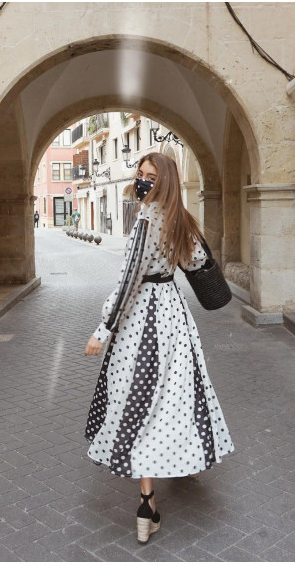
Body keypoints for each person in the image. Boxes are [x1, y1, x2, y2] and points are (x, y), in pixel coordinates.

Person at [84, 152, 234, 544]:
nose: (143, 181)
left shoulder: (146, 220)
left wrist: (103, 329)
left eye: (151, 176)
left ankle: (147, 504)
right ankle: (188, 460)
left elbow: (129, 280)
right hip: (175, 316)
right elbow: (198, 262)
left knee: (139, 401)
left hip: (143, 321)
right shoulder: (180, 219)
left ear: (164, 181)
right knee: (177, 397)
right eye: (140, 174)